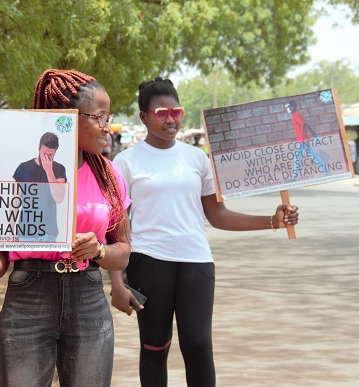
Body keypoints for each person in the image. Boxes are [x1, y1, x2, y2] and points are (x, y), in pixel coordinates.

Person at [110, 77, 299, 387]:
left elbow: (217, 214)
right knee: (155, 346)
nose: (170, 119)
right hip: (148, 261)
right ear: (144, 117)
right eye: (161, 113)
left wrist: (272, 221)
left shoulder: (197, 159)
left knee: (198, 345)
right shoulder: (126, 161)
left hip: (196, 262)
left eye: (176, 111)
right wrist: (117, 283)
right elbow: (116, 226)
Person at [0, 69, 132, 387]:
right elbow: (0, 258)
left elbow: (123, 253)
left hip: (88, 300)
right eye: (100, 116)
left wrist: (100, 250)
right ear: (68, 117)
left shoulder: (108, 174)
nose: (107, 126)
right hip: (28, 299)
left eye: (109, 116)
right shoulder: (20, 170)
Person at [12, 132, 67, 242]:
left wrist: (49, 171)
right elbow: (15, 203)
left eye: (51, 155)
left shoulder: (59, 169)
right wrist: (10, 232)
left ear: (55, 152)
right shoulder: (23, 168)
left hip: (49, 234)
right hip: (25, 233)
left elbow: (59, 198)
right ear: (38, 148)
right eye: (44, 153)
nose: (47, 157)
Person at [284, 101, 329, 180]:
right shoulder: (295, 115)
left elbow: (305, 124)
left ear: (292, 107)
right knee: (314, 156)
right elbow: (304, 124)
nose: (287, 110)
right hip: (303, 140)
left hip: (303, 140)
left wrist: (314, 135)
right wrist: (314, 135)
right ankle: (326, 172)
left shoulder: (297, 115)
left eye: (288, 108)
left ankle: (294, 178)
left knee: (298, 159)